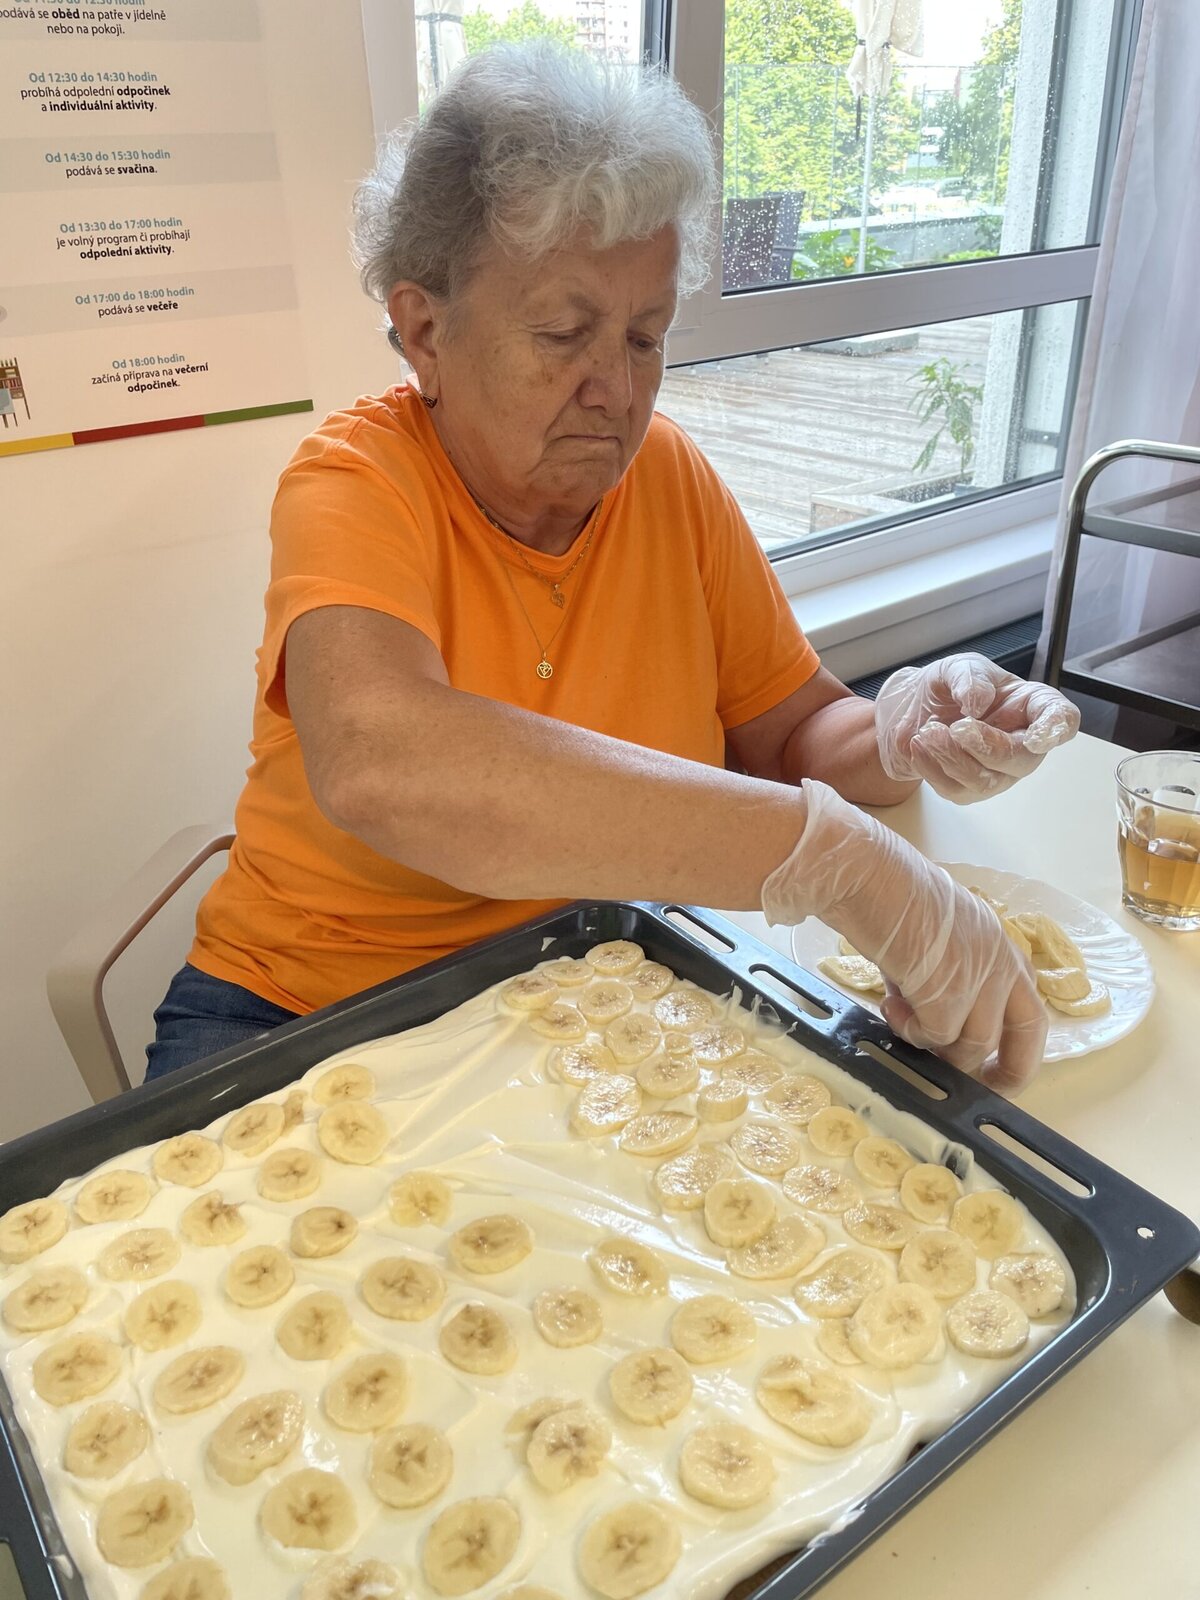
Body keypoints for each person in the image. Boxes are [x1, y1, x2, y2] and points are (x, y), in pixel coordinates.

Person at [146, 44, 1078, 1093]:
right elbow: (385, 767)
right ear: (424, 330)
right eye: (562, 334)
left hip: (600, 999)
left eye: (645, 337)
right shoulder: (357, 481)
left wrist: (900, 731)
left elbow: (790, 735)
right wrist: (836, 858)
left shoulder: (667, 477)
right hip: (313, 1008)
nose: (615, 391)